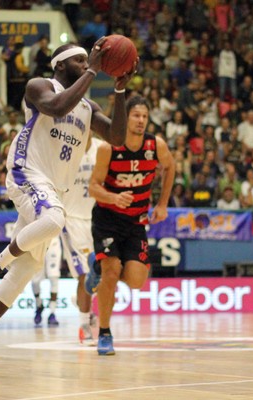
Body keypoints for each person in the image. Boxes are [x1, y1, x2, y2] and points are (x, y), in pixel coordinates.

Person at [0, 39, 135, 377]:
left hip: (54, 190)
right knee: (54, 219)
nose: (87, 64)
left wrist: (121, 92)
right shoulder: (39, 86)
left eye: (88, 61)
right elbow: (55, 107)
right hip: (28, 174)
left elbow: (118, 137)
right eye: (80, 61)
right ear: (61, 65)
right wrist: (95, 68)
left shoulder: (88, 107)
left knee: (23, 274)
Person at [87, 96, 175, 356]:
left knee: (137, 281)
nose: (140, 121)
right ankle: (104, 332)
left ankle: (97, 266)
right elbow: (93, 187)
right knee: (112, 271)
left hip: (136, 221)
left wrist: (162, 204)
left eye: (144, 117)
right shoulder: (108, 148)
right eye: (136, 115)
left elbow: (170, 167)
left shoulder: (155, 145)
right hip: (107, 220)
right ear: (125, 118)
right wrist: (114, 197)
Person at [60, 137, 103, 343]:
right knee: (84, 275)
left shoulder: (101, 148)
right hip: (72, 219)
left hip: (97, 219)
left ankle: (82, 302)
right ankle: (84, 324)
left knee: (99, 274)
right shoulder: (65, 146)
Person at [30, 236, 62, 326]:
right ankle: (39, 305)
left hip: (53, 240)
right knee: (35, 280)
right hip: (37, 241)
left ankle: (52, 313)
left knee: (54, 276)